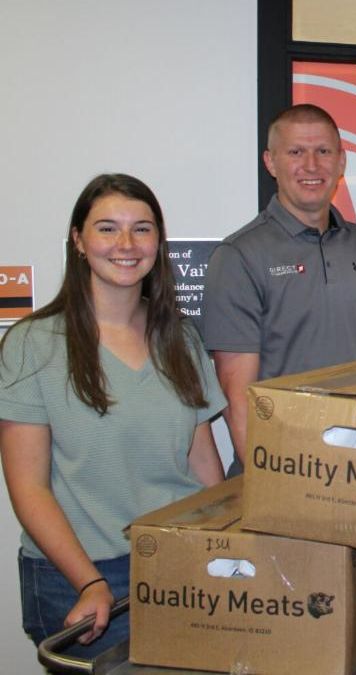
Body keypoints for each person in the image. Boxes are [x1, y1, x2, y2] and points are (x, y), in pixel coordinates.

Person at [0, 174, 226, 656]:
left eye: (141, 229)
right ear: (78, 240)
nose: (126, 244)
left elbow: (202, 460)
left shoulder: (180, 337)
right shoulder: (31, 345)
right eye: (107, 228)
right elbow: (28, 488)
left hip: (175, 564)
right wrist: (89, 582)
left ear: (158, 242)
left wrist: (228, 546)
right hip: (78, 576)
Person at [201, 104, 356, 474]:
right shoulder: (238, 256)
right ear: (271, 162)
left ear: (341, 162)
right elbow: (237, 399)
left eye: (323, 151)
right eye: (296, 152)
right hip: (284, 470)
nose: (311, 165)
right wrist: (278, 489)